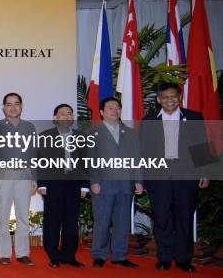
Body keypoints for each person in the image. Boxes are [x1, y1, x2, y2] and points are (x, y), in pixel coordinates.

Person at [139, 82, 210, 273]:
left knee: (184, 217)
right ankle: (164, 258)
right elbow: (143, 151)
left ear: (179, 98)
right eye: (165, 97)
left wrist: (205, 172)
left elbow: (202, 145)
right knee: (162, 218)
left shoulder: (194, 118)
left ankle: (183, 259)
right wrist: (143, 178)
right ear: (159, 100)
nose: (170, 100)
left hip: (186, 177)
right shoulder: (149, 121)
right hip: (159, 176)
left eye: (174, 96)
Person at [89, 97, 143, 268]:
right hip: (103, 184)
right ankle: (99, 254)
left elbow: (137, 158)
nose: (114, 111)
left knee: (122, 221)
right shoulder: (93, 133)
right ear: (102, 112)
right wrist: (94, 182)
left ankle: (120, 255)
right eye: (110, 108)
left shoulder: (130, 133)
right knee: (102, 220)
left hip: (125, 184)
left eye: (117, 107)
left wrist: (139, 181)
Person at [37, 103, 89, 268]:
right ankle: (53, 256)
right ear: (55, 118)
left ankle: (69, 256)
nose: (67, 117)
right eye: (63, 114)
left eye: (70, 114)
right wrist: (42, 183)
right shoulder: (46, 136)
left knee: (71, 222)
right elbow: (40, 162)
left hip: (74, 185)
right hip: (53, 185)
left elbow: (85, 163)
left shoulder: (81, 136)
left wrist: (85, 185)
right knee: (52, 222)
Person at [0, 93, 37, 266]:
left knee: (23, 216)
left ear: (21, 106)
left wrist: (34, 178)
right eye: (9, 104)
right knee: (3, 216)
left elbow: (33, 154)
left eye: (16, 104)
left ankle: (23, 253)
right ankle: (5, 254)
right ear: (3, 108)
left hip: (24, 176)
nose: (13, 107)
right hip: (3, 176)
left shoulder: (29, 127)